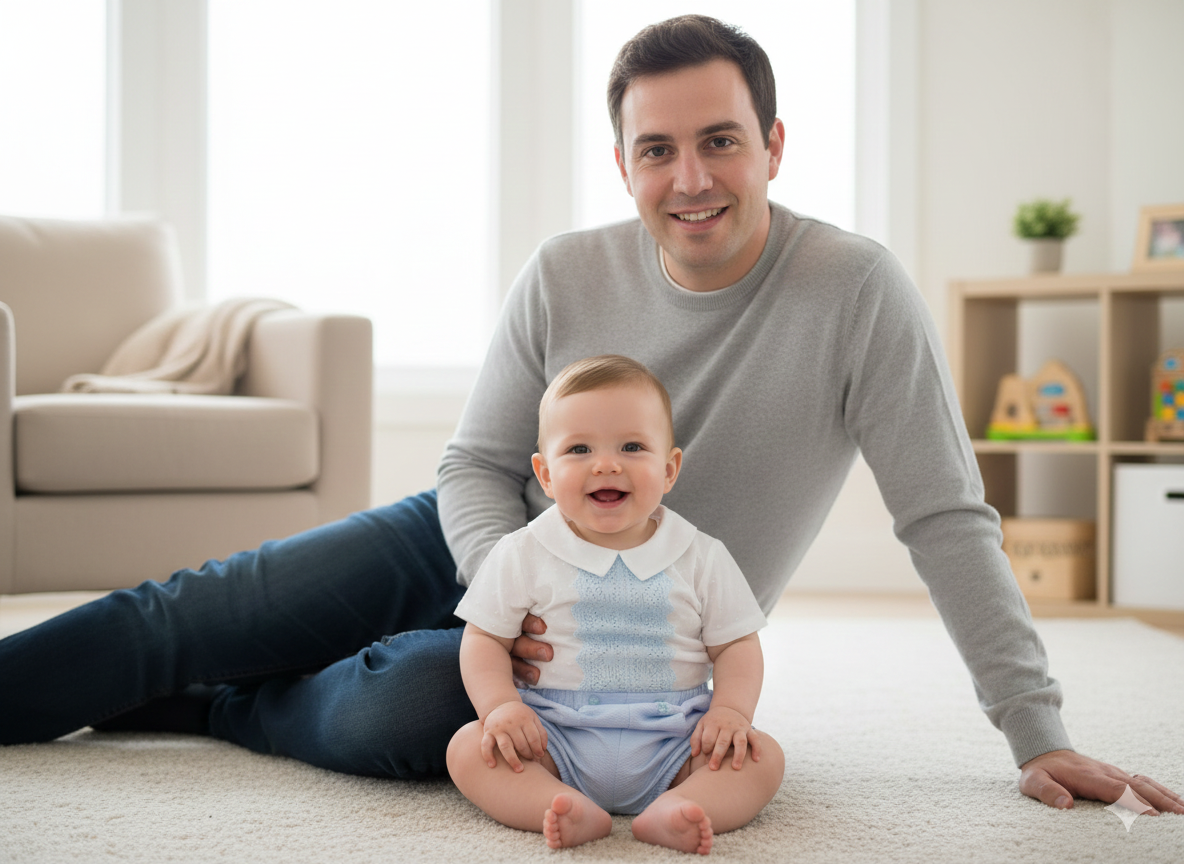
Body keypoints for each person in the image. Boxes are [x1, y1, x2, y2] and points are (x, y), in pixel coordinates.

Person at [1, 14, 1180, 819]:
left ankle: (226, 715)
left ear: (770, 145)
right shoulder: (566, 269)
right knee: (189, 611)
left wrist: (1034, 732)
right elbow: (472, 462)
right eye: (656, 150)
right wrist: (504, 592)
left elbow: (941, 515)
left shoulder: (855, 291)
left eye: (720, 141)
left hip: (632, 642)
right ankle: (149, 678)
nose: (691, 178)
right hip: (475, 541)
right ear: (622, 164)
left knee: (415, 700)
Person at [446, 355, 784, 853]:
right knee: (468, 750)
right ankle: (558, 803)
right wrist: (501, 707)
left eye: (632, 446)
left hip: (677, 736)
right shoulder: (522, 551)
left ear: (669, 469)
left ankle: (678, 807)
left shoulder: (701, 555)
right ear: (544, 474)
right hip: (552, 735)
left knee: (763, 758)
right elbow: (483, 639)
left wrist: (731, 711)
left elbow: (737, 645)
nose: (607, 464)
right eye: (579, 449)